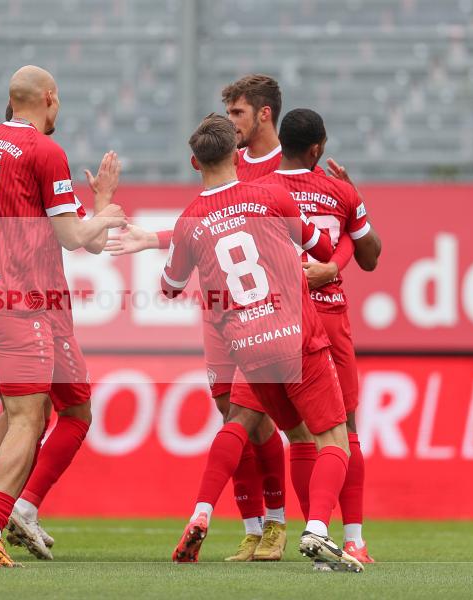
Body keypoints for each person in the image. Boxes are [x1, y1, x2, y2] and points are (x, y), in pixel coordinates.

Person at [0, 65, 126, 567]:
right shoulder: (45, 151)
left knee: (20, 409)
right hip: (20, 303)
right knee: (39, 415)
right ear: (49, 98)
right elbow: (74, 238)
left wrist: (97, 208)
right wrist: (103, 213)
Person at [162, 114, 362, 572]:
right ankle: (317, 532)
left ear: (195, 162)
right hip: (296, 334)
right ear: (237, 155)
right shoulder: (270, 192)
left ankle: (203, 511)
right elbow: (322, 248)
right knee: (333, 438)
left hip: (247, 349)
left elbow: (171, 286)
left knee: (287, 432)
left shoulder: (189, 219)